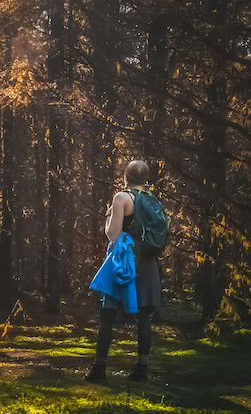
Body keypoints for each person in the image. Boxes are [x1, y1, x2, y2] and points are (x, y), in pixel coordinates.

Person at [85, 159, 161, 383]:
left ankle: (99, 370)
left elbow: (113, 234)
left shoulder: (121, 198)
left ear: (125, 177)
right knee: (144, 316)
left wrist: (108, 218)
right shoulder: (153, 201)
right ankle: (142, 370)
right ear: (146, 179)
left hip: (124, 262)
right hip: (147, 262)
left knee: (107, 314)